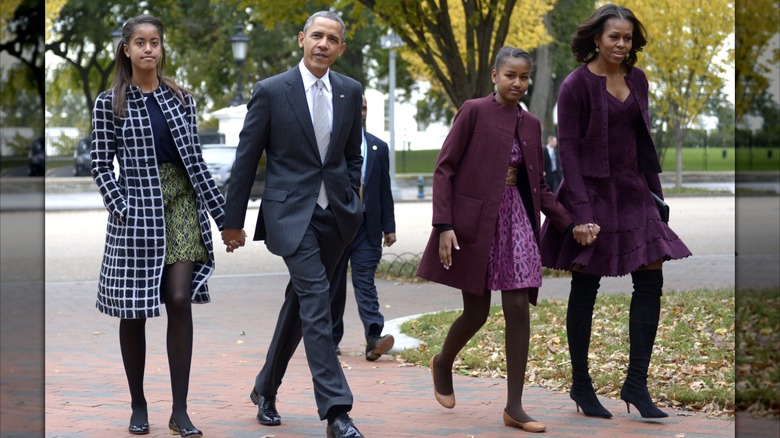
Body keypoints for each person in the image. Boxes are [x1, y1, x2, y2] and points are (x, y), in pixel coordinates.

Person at [416, 47, 582, 433]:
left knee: (518, 307)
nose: (518, 84)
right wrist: (443, 225)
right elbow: (444, 169)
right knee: (476, 313)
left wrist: (569, 224)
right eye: (511, 75)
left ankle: (514, 407)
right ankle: (443, 361)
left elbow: (539, 185)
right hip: (475, 223)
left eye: (524, 77)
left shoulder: (532, 123)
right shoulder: (473, 111)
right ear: (495, 75)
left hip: (516, 220)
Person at [539, 4, 692, 420]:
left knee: (651, 278)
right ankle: (581, 385)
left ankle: (636, 384)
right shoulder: (575, 85)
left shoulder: (638, 80)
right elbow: (568, 151)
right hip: (590, 194)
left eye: (627, 38)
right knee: (586, 287)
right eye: (614, 37)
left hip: (634, 190)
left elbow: (645, 142)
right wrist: (581, 216)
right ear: (596, 39)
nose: (622, 44)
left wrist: (658, 201)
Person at [220, 11, 365, 438]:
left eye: (332, 39)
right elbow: (246, 160)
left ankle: (265, 388)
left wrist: (351, 196)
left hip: (336, 217)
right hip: (289, 216)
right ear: (302, 39)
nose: (323, 44)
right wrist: (233, 221)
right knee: (318, 300)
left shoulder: (350, 90)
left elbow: (352, 154)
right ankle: (337, 410)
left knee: (301, 306)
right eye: (316, 35)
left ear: (341, 48)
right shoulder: (270, 92)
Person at [91, 14, 229, 437]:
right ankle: (138, 404)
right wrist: (122, 207)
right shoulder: (109, 103)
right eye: (140, 42)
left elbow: (197, 164)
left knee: (179, 298)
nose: (148, 49)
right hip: (137, 209)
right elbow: (100, 165)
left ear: (161, 48)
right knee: (133, 310)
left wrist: (227, 220)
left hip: (183, 203)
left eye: (155, 42)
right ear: (126, 49)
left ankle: (180, 409)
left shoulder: (181, 99)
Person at [330, 95, 397, 360]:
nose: (361, 112)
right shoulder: (331, 145)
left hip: (367, 228)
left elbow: (384, 190)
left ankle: (373, 337)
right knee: (334, 286)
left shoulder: (378, 147)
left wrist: (389, 226)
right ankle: (331, 339)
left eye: (365, 108)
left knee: (365, 282)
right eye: (356, 107)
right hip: (337, 226)